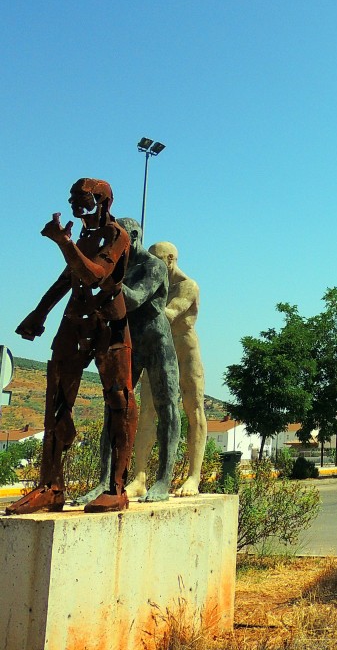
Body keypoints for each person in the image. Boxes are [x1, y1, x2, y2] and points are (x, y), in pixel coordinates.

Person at [8, 178, 137, 514]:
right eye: (72, 199)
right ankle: (50, 486)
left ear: (103, 202)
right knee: (57, 398)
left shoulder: (116, 236)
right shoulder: (83, 236)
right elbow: (70, 277)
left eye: (83, 200)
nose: (75, 205)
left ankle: (117, 488)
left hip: (110, 326)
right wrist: (39, 313)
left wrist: (64, 243)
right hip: (75, 320)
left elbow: (95, 274)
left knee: (119, 401)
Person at [78, 218, 181, 505]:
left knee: (167, 407)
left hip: (157, 341)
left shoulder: (153, 266)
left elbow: (134, 299)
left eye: (117, 237)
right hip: (128, 343)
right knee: (115, 410)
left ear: (133, 236)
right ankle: (105, 481)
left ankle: (163, 479)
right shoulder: (118, 266)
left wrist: (107, 277)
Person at [127, 241, 207, 497]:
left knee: (193, 408)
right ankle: (139, 477)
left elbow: (168, 314)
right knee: (148, 411)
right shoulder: (152, 282)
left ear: (170, 259)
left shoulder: (187, 285)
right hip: (159, 350)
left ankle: (193, 477)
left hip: (184, 351)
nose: (152, 264)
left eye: (157, 259)